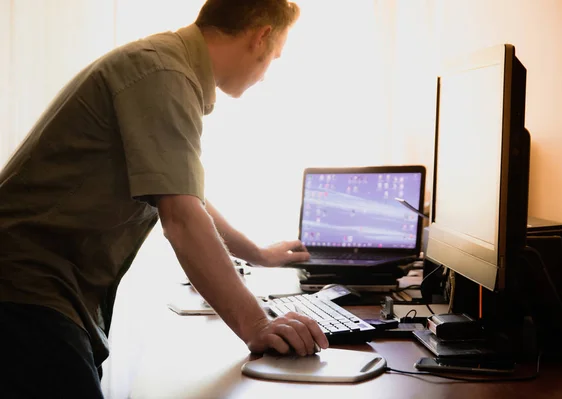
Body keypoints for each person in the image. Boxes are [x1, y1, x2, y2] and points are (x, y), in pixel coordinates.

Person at [0, 0, 329, 397]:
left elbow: (189, 198)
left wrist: (257, 253)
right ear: (261, 36)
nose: (265, 74)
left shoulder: (165, 66)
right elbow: (183, 218)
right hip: (24, 286)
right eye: (275, 56)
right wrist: (258, 325)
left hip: (35, 282)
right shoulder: (162, 73)